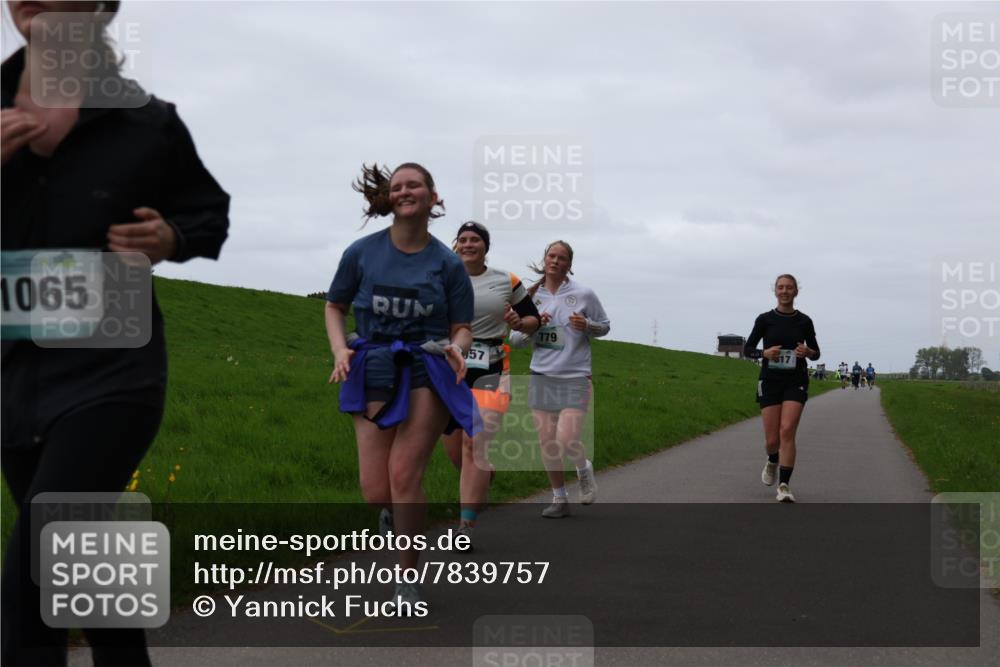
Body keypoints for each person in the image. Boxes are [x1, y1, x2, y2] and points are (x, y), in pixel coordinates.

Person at [1, 3, 230, 664]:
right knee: (87, 579)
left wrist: (172, 236)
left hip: (110, 375)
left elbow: (208, 214)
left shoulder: (148, 123)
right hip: (12, 379)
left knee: (32, 583)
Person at [325, 163, 479, 605]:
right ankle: (393, 517)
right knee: (377, 490)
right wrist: (339, 349)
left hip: (425, 366)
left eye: (414, 184)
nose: (405, 191)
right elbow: (335, 306)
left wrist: (457, 347)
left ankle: (407, 577)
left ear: (433, 196)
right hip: (372, 364)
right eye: (397, 186)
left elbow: (462, 326)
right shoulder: (361, 252)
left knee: (403, 474)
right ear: (389, 198)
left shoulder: (448, 264)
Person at [440, 221, 540, 547]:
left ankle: (465, 527)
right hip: (448, 369)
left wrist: (519, 322)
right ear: (456, 245)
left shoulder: (506, 280)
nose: (468, 244)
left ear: (486, 246)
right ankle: (485, 475)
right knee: (455, 450)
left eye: (475, 240)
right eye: (463, 239)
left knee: (474, 445)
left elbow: (533, 320)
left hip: (491, 369)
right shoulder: (441, 277)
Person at [510, 241, 610, 518]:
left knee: (567, 439)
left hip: (575, 376)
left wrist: (587, 325)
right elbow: (514, 340)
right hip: (541, 375)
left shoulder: (584, 294)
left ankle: (583, 469)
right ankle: (559, 498)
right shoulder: (530, 296)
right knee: (548, 443)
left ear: (569, 264)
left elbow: (605, 326)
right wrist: (533, 328)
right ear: (544, 260)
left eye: (561, 258)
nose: (555, 261)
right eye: (551, 256)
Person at [744, 274, 820, 503]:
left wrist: (808, 352)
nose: (785, 291)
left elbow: (816, 353)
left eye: (789, 287)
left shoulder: (804, 321)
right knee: (772, 440)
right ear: (775, 291)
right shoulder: (765, 319)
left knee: (787, 430)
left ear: (796, 291)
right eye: (781, 287)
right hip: (770, 380)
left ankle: (784, 485)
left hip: (796, 380)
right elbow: (748, 349)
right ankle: (772, 459)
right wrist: (764, 353)